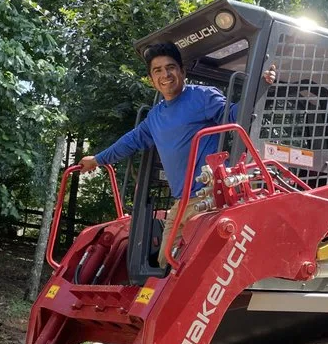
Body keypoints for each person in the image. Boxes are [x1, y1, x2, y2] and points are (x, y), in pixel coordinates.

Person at [80, 41, 276, 268]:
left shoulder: (202, 97)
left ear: (182, 71)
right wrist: (97, 159)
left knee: (190, 272)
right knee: (165, 265)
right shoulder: (155, 116)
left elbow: (233, 116)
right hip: (181, 203)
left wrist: (260, 86)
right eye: (158, 70)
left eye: (170, 67)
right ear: (152, 79)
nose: (165, 74)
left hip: (209, 199)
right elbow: (130, 141)